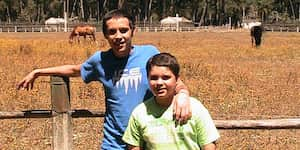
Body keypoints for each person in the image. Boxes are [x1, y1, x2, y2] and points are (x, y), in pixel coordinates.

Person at [17, 9, 191, 149]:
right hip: (114, 142)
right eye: (112, 32)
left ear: (133, 31)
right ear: (106, 35)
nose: (118, 36)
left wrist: (183, 94)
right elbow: (74, 69)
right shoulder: (100, 60)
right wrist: (38, 71)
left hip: (150, 140)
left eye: (124, 30)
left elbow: (171, 81)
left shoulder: (150, 53)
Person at [122, 53, 220, 150]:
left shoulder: (195, 108)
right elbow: (134, 147)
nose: (159, 83)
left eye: (166, 77)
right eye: (154, 78)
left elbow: (208, 145)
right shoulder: (140, 113)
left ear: (177, 79)